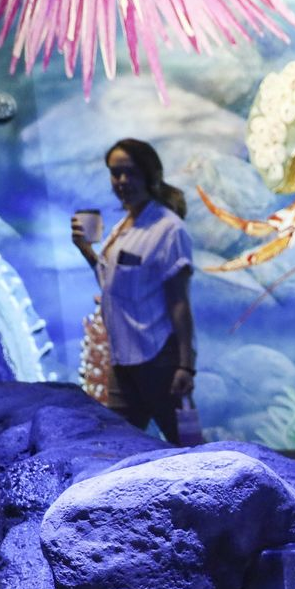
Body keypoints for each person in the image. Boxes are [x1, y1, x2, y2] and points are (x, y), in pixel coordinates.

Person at [69, 139, 197, 444]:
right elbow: (112, 284)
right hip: (123, 360)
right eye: (116, 173)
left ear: (150, 174)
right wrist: (86, 249)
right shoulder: (124, 226)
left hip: (159, 360)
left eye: (131, 172)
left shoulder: (168, 229)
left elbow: (179, 301)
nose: (123, 181)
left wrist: (185, 365)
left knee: (189, 447)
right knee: (116, 445)